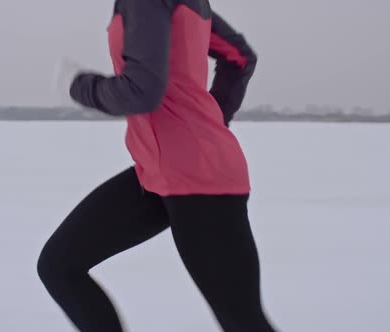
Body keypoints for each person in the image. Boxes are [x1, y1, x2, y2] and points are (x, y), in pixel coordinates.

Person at [37, 1, 278, 331]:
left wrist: (78, 86)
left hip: (200, 179)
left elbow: (140, 91)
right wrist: (205, 121)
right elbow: (239, 56)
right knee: (60, 265)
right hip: (158, 173)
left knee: (243, 320)